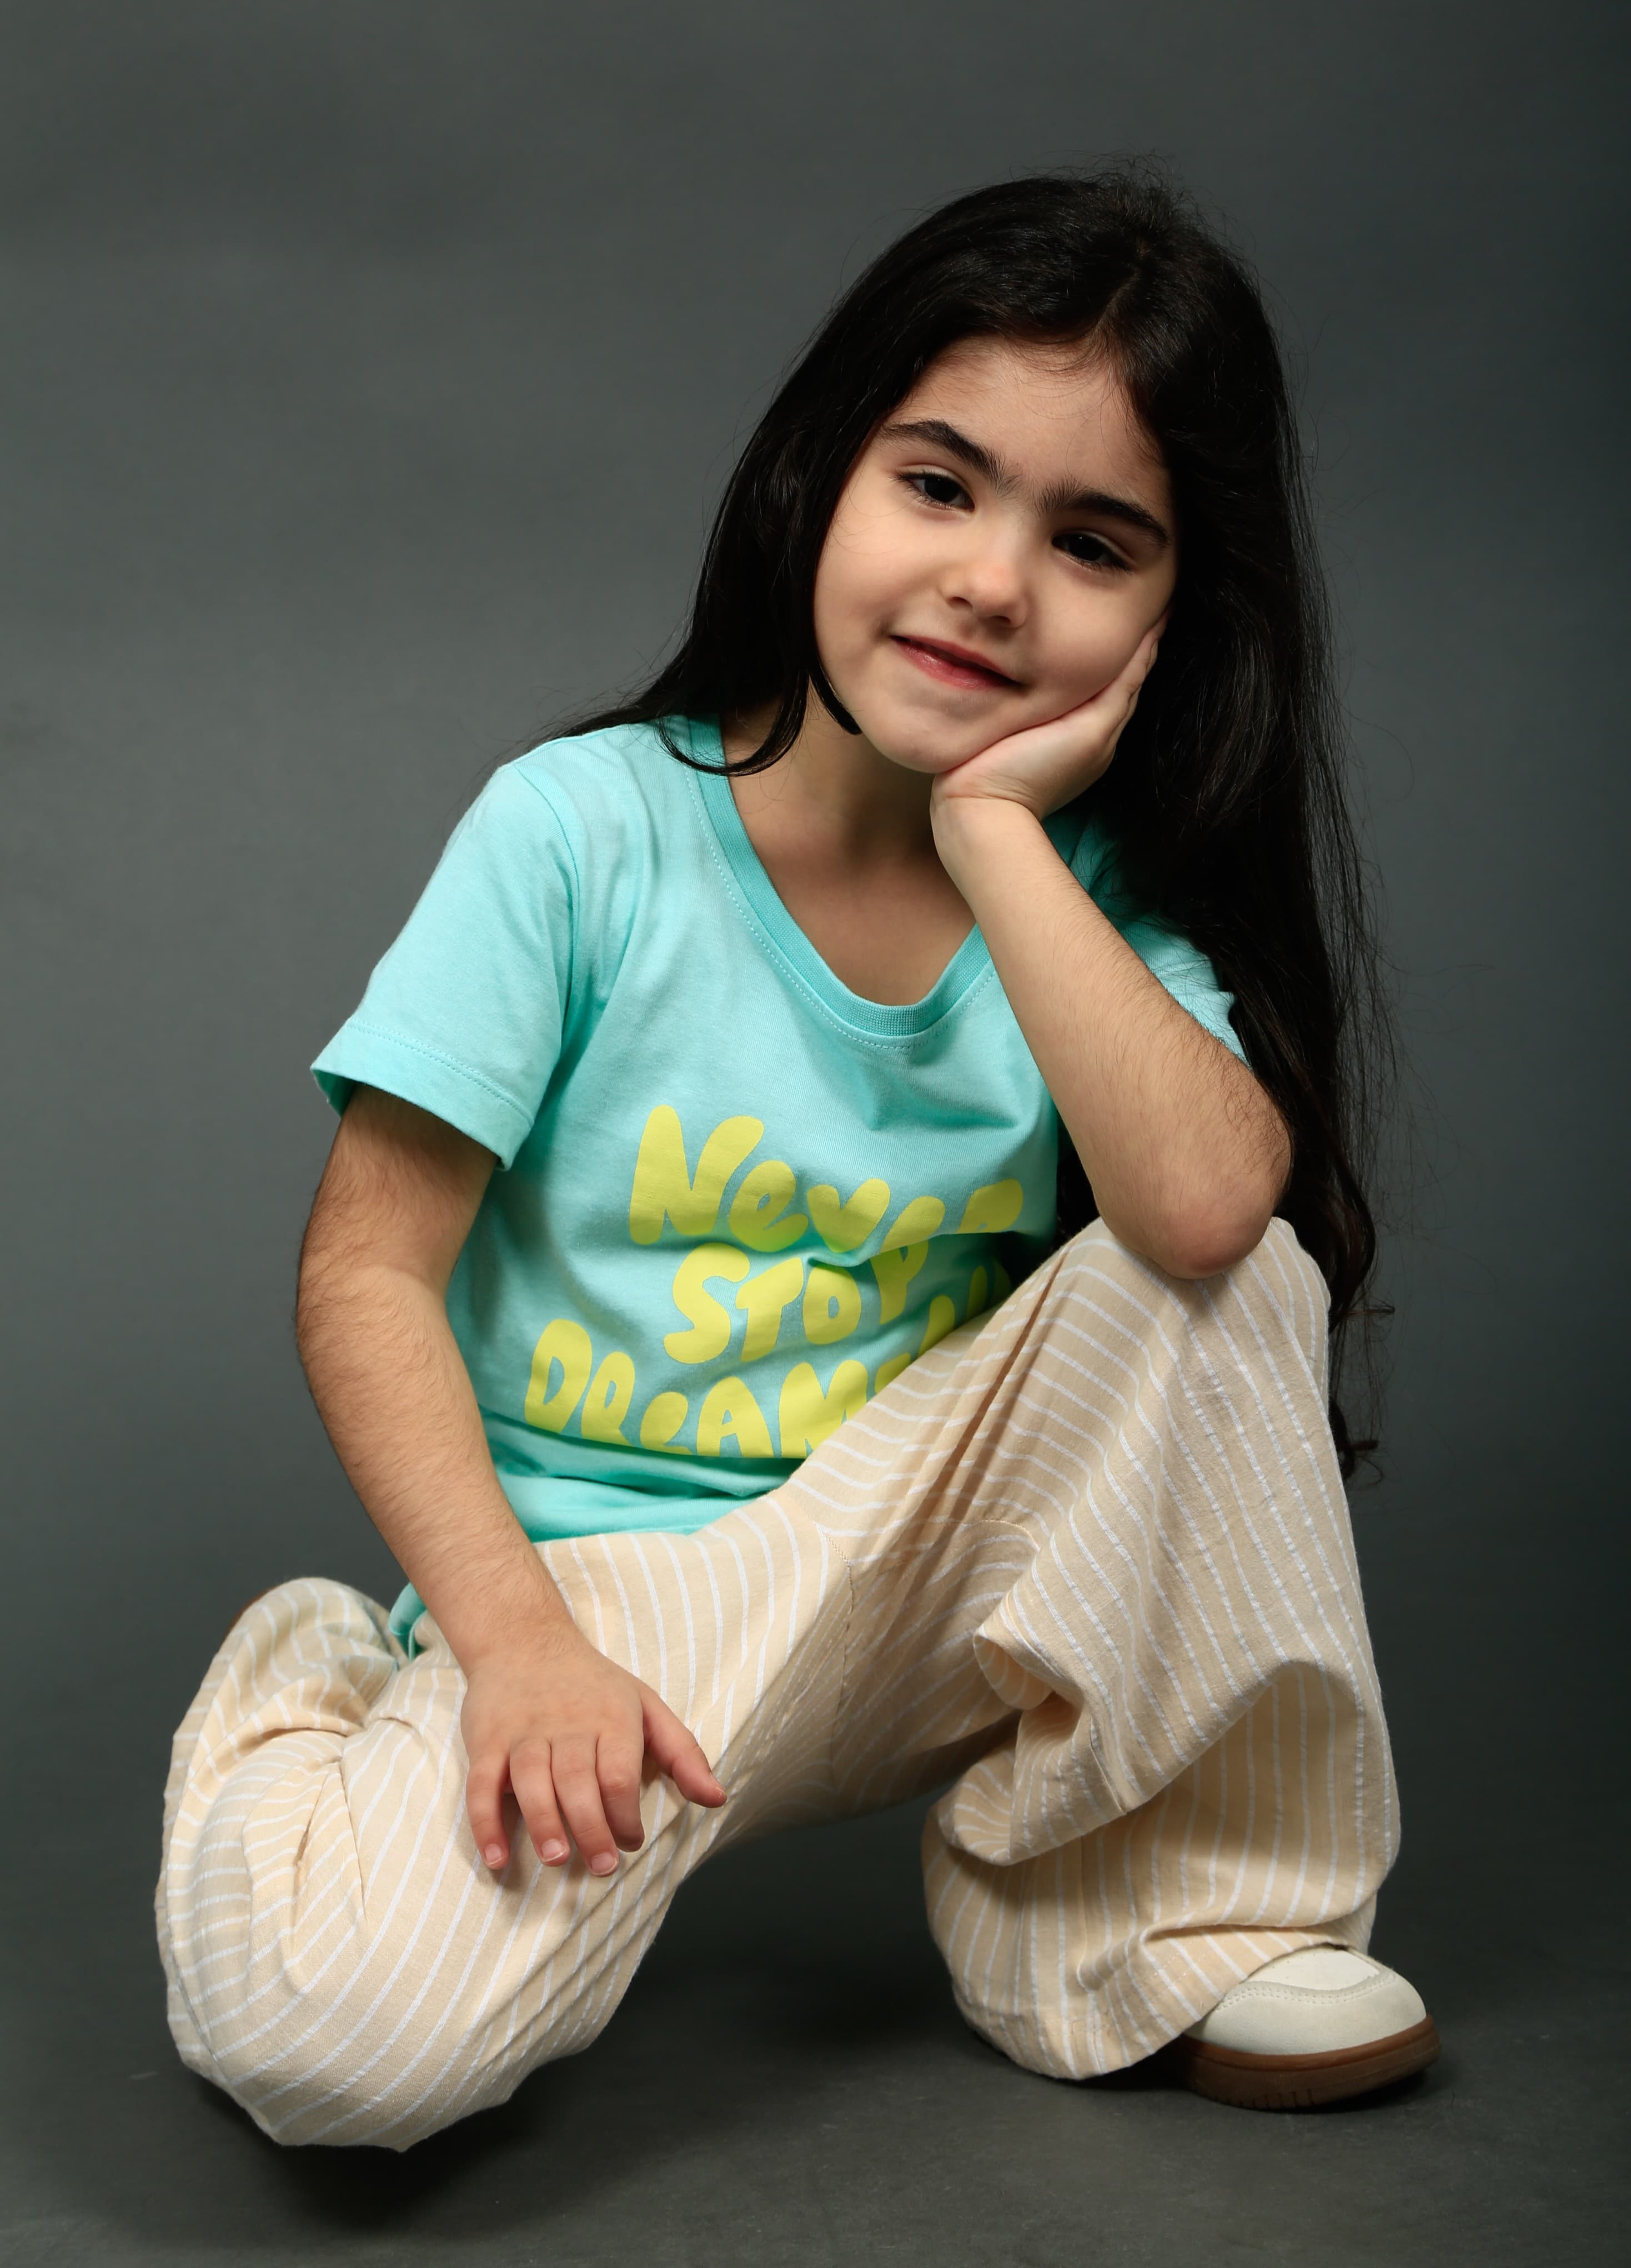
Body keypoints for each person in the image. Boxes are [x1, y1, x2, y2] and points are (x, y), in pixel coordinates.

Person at [157, 168, 1439, 2149]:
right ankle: (320, 1698)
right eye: (938, 485)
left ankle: (1175, 1923)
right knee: (341, 2052)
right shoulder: (582, 833)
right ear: (814, 479)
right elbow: (367, 1271)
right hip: (600, 1606)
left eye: (1090, 543)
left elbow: (1199, 1210)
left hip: (909, 1567)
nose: (992, 583)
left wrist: (994, 837)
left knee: (1223, 1265)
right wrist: (509, 1639)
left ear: (1174, 619)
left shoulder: (1088, 908)